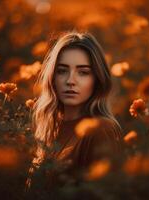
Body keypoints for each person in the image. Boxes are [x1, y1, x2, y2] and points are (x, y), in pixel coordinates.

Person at [25, 31, 124, 193]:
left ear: (97, 79)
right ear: (52, 78)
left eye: (83, 72)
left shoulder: (102, 131)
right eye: (62, 71)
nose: (70, 81)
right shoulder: (49, 129)